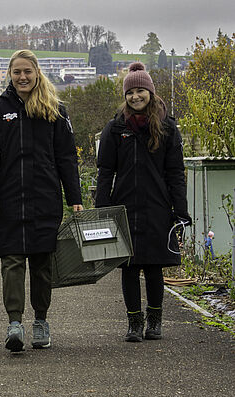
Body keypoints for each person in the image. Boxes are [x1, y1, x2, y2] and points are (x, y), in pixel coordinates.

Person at [0, 49, 83, 352]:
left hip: (44, 198)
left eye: (27, 72)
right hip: (8, 200)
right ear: (9, 74)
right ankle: (14, 323)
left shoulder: (55, 110)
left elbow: (66, 158)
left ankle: (41, 321)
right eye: (17, 72)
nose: (22, 77)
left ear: (37, 73)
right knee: (11, 262)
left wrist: (74, 197)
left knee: (41, 263)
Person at [95, 62, 191, 342]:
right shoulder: (115, 129)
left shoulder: (167, 128)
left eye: (140, 91)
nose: (135, 96)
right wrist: (102, 209)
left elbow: (175, 173)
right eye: (130, 92)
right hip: (124, 208)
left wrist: (180, 212)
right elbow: (105, 172)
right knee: (128, 267)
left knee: (153, 267)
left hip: (157, 208)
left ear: (149, 91)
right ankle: (134, 323)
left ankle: (155, 320)